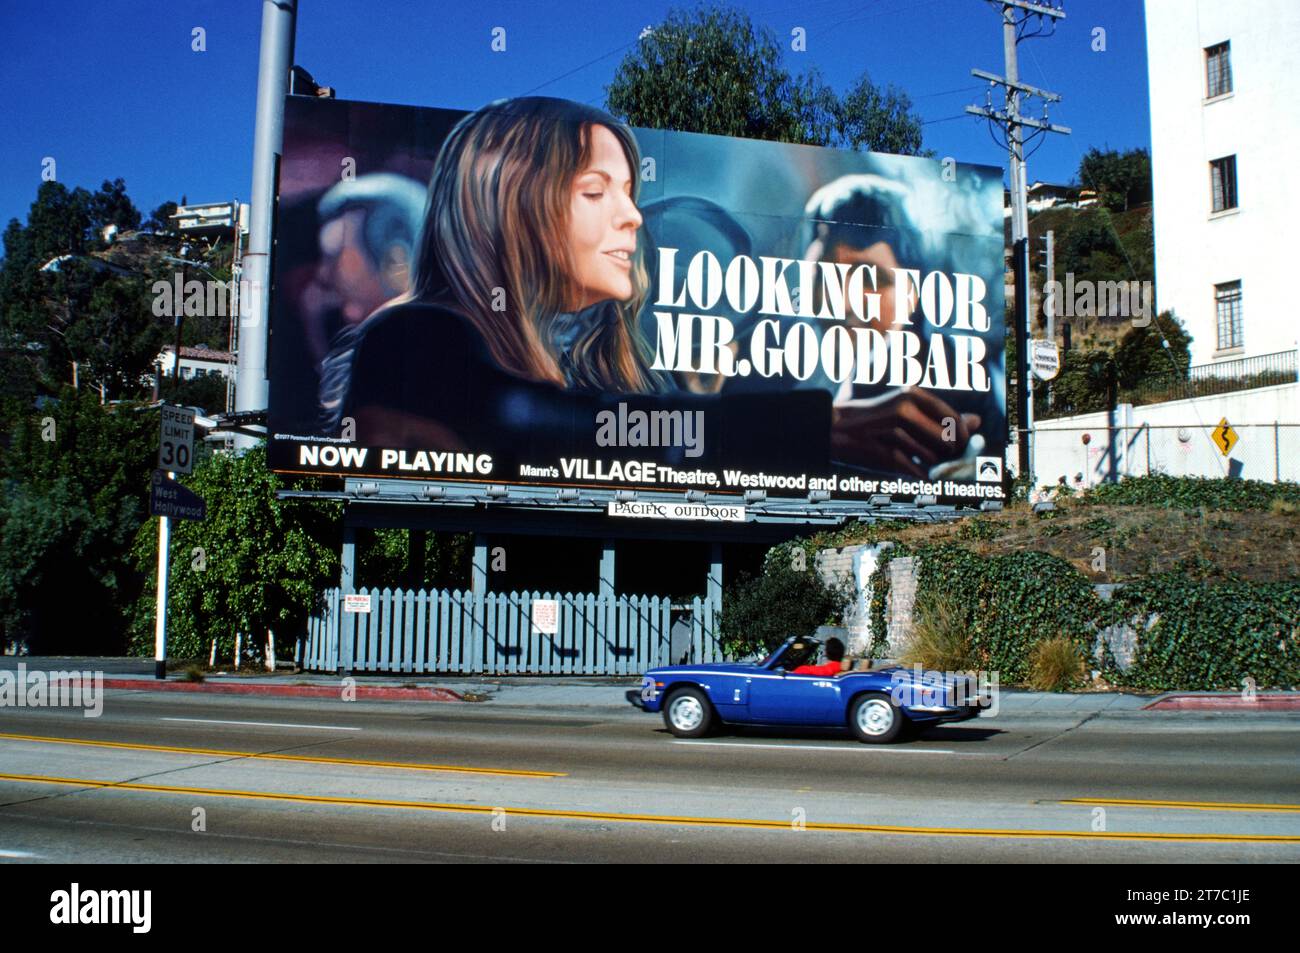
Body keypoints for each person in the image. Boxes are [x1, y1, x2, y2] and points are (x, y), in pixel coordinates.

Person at [322, 97, 830, 471]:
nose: (632, 216)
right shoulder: (409, 337)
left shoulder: (607, 357)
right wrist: (812, 427)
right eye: (595, 191)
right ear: (515, 208)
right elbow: (534, 421)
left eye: (630, 193)